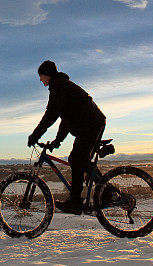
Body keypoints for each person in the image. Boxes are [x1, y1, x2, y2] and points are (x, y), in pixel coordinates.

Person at [27, 60, 106, 214]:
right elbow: (66, 118)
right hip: (91, 124)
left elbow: (51, 115)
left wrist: (35, 135)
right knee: (80, 161)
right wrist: (57, 141)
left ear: (47, 74)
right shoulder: (60, 86)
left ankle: (75, 202)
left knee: (76, 159)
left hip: (90, 125)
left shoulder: (59, 87)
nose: (40, 79)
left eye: (41, 75)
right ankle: (107, 193)